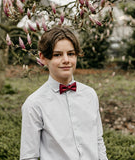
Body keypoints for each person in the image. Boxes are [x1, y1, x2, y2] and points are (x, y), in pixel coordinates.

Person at [20, 26, 108, 160]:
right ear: (43, 58)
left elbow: (98, 140)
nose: (66, 60)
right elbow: (29, 156)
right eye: (57, 54)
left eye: (71, 54)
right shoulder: (34, 104)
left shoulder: (90, 95)